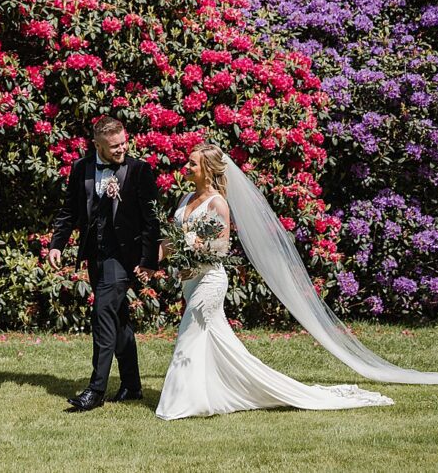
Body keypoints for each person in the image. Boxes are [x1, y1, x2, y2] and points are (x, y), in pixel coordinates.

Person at [156, 142, 394, 419]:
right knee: (221, 344)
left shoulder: (218, 204)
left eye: (193, 164)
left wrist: (194, 253)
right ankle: (232, 390)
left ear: (208, 170)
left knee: (189, 335)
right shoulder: (185, 199)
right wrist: (153, 261)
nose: (186, 167)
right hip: (190, 282)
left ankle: (179, 405)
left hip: (209, 281)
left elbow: (220, 247)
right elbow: (172, 240)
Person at [47, 117, 160, 412]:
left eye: (124, 142)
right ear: (97, 145)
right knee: (118, 318)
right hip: (95, 255)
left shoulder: (140, 170)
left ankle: (96, 390)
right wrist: (57, 243)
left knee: (103, 316)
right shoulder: (81, 168)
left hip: (124, 259)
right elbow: (69, 209)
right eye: (114, 146)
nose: (121, 149)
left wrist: (149, 260)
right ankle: (132, 385)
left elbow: (151, 220)